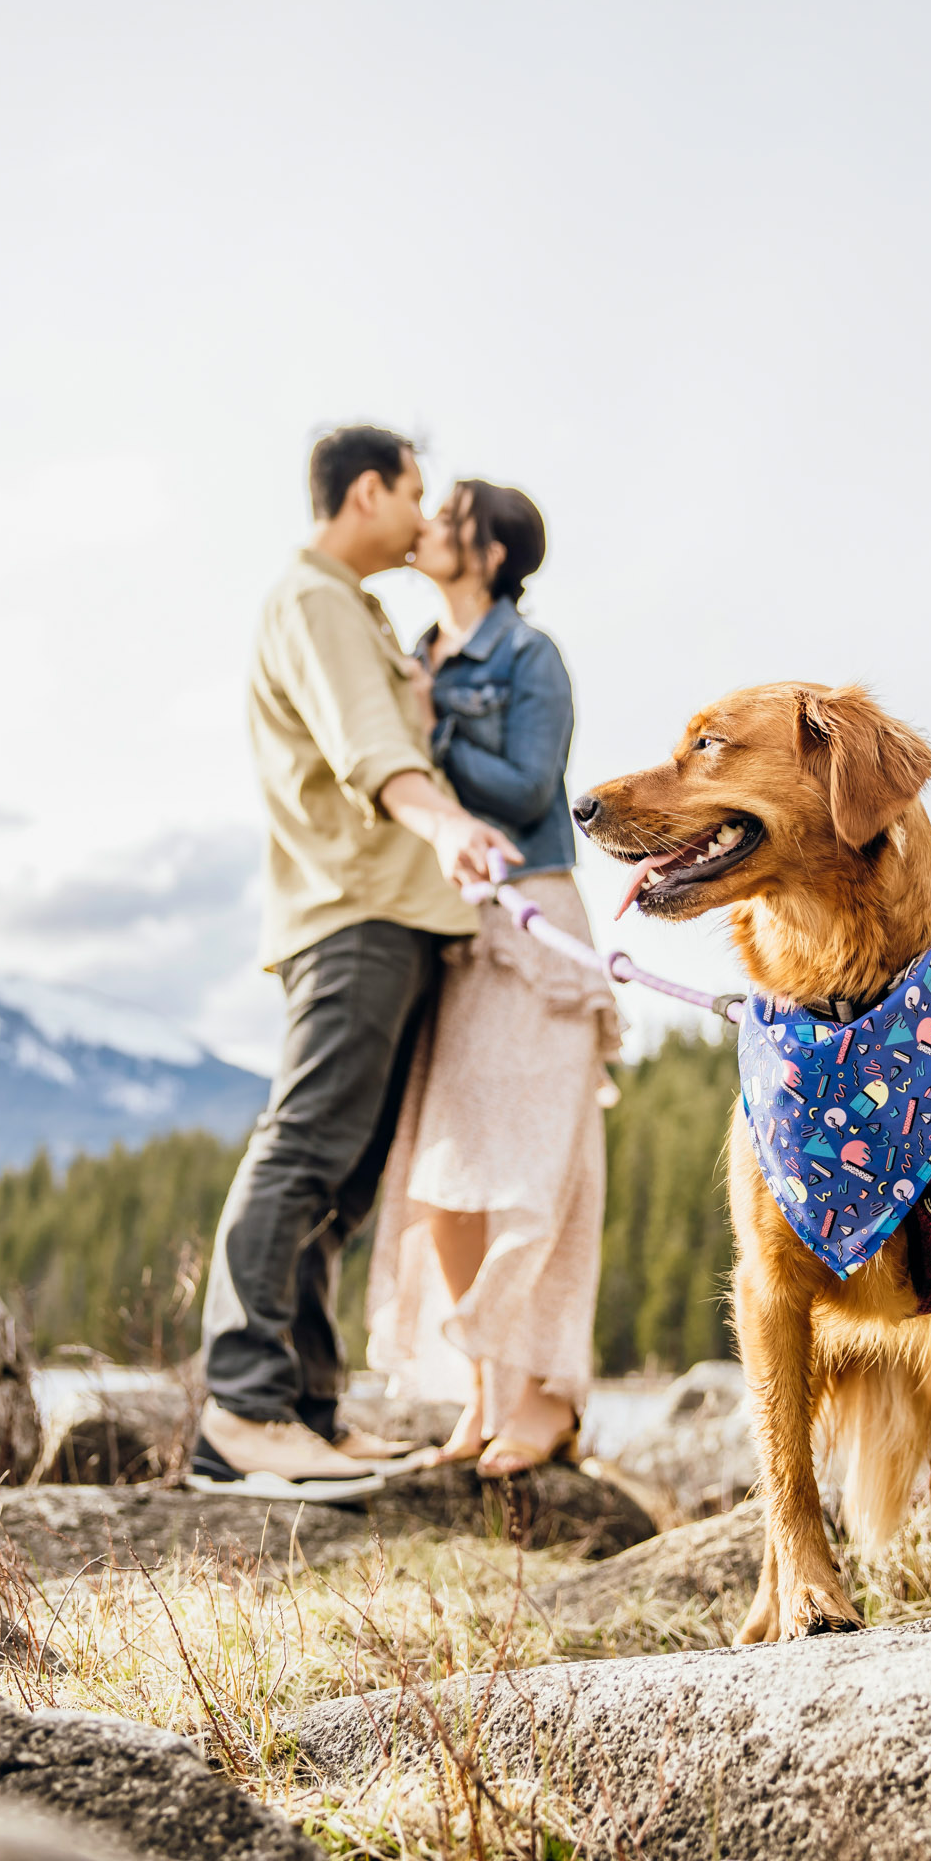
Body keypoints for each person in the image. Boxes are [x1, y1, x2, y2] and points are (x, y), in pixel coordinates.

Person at [194, 426, 518, 1499]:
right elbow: (364, 749)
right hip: (355, 912)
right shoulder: (315, 600)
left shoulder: (360, 608)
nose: (427, 517)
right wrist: (440, 826)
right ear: (364, 490)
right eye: (413, 493)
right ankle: (241, 1411)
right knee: (304, 1147)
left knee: (346, 1170)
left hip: (394, 913)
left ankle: (305, 1412)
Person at [365, 479, 620, 1476]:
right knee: (447, 1172)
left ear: (487, 549)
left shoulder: (526, 655)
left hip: (533, 918)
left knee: (534, 1166)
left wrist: (436, 726)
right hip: (449, 925)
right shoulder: (417, 651)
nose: (424, 525)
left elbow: (525, 786)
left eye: (446, 514)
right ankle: (479, 1392)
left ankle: (546, 1397)